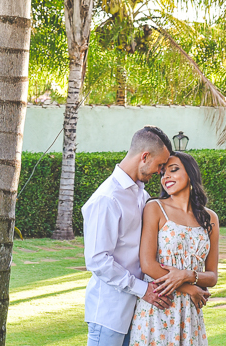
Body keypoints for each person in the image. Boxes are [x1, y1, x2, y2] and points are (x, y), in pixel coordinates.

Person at [83, 126, 176, 346]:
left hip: (138, 313)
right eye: (160, 165)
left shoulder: (141, 194)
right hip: (110, 314)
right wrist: (143, 290)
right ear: (144, 157)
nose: (161, 171)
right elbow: (97, 260)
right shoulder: (107, 199)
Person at [128, 151, 220, 346]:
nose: (166, 176)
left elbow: (212, 277)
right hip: (159, 306)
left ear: (190, 174)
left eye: (174, 170)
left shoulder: (210, 218)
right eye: (162, 173)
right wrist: (189, 288)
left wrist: (187, 275)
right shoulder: (154, 208)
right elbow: (147, 264)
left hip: (189, 314)